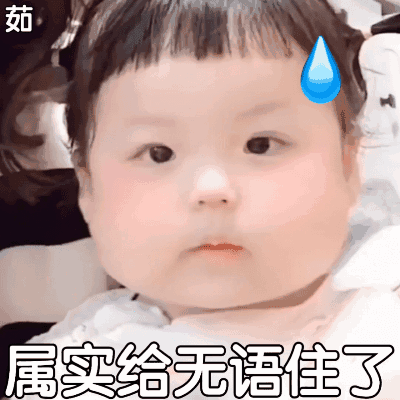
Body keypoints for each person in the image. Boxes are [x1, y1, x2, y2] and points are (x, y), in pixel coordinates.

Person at [4, 0, 400, 398]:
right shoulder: (81, 353)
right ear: (87, 185)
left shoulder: (377, 332)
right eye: (159, 153)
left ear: (349, 165)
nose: (211, 188)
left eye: (261, 145)